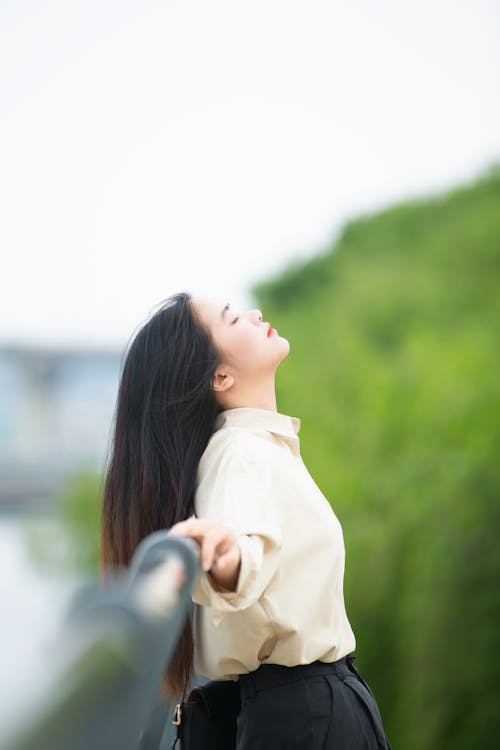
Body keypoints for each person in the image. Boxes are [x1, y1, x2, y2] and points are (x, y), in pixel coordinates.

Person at [101, 291, 393, 749]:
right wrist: (224, 554)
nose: (255, 314)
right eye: (232, 318)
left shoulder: (254, 448)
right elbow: (241, 553)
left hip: (296, 710)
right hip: (307, 716)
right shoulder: (243, 454)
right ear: (219, 375)